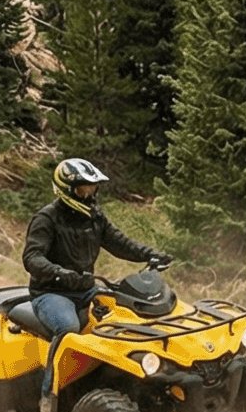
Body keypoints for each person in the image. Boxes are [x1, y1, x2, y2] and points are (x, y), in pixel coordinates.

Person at [22, 158, 169, 378]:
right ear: (67, 190)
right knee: (68, 327)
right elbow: (32, 257)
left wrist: (151, 254)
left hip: (86, 288)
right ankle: (49, 394)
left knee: (127, 316)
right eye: (83, 190)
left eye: (92, 189)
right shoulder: (46, 219)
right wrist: (59, 274)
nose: (89, 195)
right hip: (51, 292)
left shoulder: (94, 216)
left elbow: (119, 243)